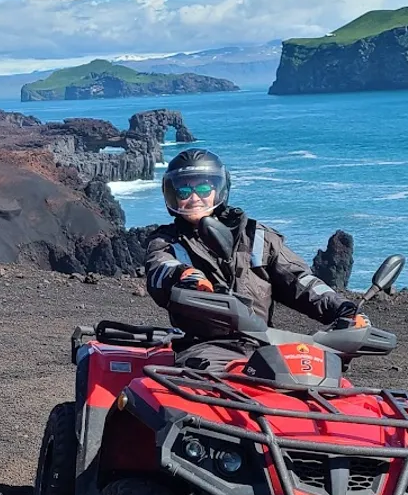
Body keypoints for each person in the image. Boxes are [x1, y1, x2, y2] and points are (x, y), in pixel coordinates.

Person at [144, 148, 367, 373]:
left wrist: (344, 309)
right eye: (184, 190)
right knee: (202, 393)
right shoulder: (167, 241)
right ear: (172, 195)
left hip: (264, 344)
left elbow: (300, 281)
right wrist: (184, 276)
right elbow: (160, 268)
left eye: (203, 188)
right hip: (205, 347)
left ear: (218, 190)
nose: (194, 198)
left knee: (321, 385)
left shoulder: (257, 237)